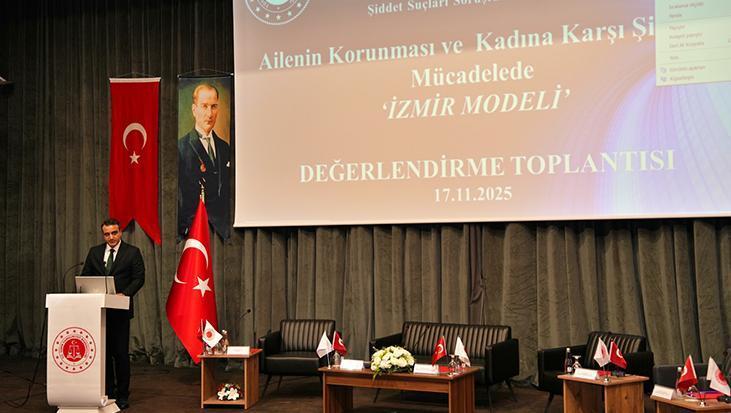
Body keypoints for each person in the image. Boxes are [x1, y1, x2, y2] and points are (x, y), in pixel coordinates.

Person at [81, 218, 144, 410]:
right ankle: (108, 391)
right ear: (103, 235)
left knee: (121, 355)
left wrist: (124, 294)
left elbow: (139, 278)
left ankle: (123, 395)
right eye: (107, 234)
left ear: (120, 232)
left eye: (114, 233)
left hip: (120, 311)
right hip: (99, 312)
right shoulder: (94, 252)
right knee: (104, 355)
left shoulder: (132, 252)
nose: (111, 237)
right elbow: (85, 276)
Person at [178, 83, 231, 239]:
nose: (209, 113)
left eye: (214, 107)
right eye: (204, 106)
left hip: (222, 231)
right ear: (194, 110)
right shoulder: (181, 147)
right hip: (194, 229)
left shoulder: (225, 147)